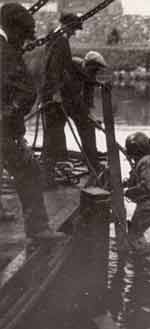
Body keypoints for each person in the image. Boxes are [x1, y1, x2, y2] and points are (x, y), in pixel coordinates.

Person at [0, 2, 64, 241]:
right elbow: (27, 91)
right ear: (15, 30)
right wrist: (10, 116)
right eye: (24, 37)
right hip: (5, 132)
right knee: (30, 173)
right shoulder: (6, 52)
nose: (24, 43)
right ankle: (38, 229)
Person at [41, 12, 84, 185]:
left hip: (50, 93)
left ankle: (51, 167)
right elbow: (54, 68)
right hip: (54, 95)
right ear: (67, 26)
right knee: (54, 131)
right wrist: (56, 94)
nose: (74, 33)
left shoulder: (54, 36)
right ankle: (50, 172)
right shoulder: (60, 40)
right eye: (74, 29)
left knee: (52, 130)